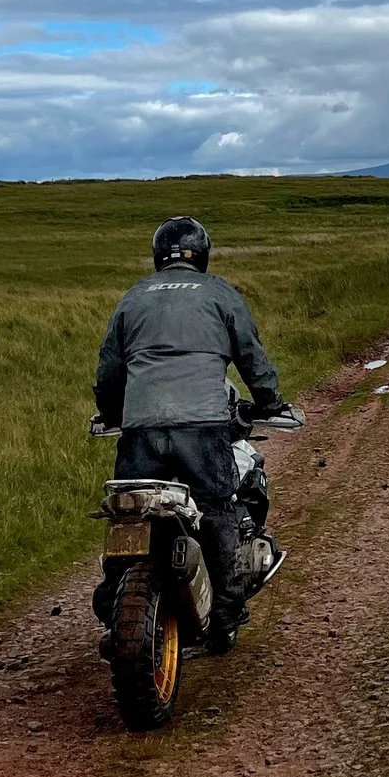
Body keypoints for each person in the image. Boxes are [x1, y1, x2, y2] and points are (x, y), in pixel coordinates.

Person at [93, 215, 293, 648]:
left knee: (129, 511)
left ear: (157, 256)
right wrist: (270, 402)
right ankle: (224, 615)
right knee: (218, 509)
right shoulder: (220, 293)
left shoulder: (132, 298)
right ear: (202, 255)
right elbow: (252, 357)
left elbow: (109, 371)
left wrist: (111, 412)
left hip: (140, 432)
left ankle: (113, 599)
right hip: (202, 428)